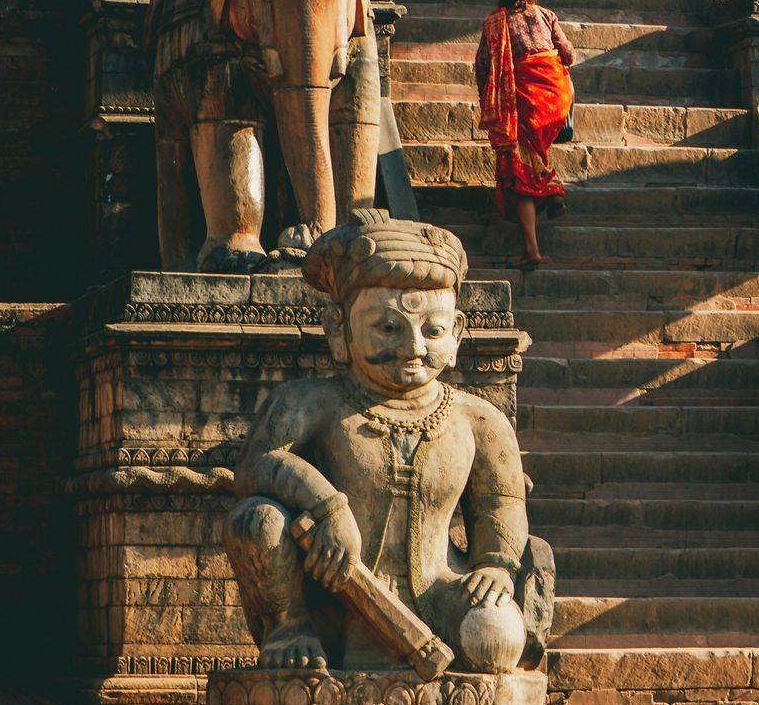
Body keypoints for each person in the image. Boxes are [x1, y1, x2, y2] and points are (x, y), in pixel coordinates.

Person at [223, 210, 554, 674]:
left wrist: (495, 565)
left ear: (456, 333)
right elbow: (256, 465)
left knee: (497, 636)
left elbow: (501, 505)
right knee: (256, 519)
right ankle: (289, 630)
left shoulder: (477, 419)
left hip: (441, 589)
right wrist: (326, 508)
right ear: (338, 328)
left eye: (433, 331)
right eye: (388, 328)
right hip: (333, 595)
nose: (413, 347)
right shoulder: (310, 402)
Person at [475, 0, 572, 269]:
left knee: (520, 174)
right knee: (534, 151)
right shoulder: (546, 14)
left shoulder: (495, 23)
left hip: (524, 99)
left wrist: (493, 99)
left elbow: (482, 68)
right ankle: (553, 192)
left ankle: (532, 250)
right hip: (556, 96)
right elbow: (569, 55)